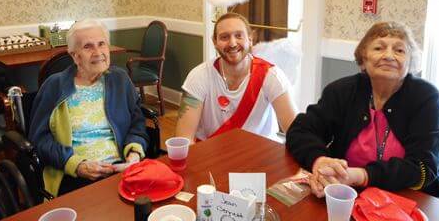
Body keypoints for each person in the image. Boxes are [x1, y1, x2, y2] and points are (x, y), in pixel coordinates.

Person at [287, 22, 439, 203]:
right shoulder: (341, 91)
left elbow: (422, 169)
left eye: (399, 51)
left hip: (414, 200)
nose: (389, 56)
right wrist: (319, 161)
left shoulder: (426, 98)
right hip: (347, 195)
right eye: (379, 48)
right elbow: (300, 130)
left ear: (410, 62)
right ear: (363, 59)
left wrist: (361, 175)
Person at [29, 19, 148, 197]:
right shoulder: (54, 86)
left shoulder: (120, 79)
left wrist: (133, 154)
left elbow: (137, 122)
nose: (98, 52)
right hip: (74, 174)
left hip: (121, 167)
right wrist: (76, 165)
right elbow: (40, 140)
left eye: (102, 44)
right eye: (88, 47)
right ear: (75, 56)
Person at [175, 12, 297, 142]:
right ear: (214, 42)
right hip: (212, 153)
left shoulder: (272, 77)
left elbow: (295, 132)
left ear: (250, 39)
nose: (232, 43)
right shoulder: (198, 77)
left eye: (239, 36)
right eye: (224, 37)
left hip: (260, 154)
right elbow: (184, 137)